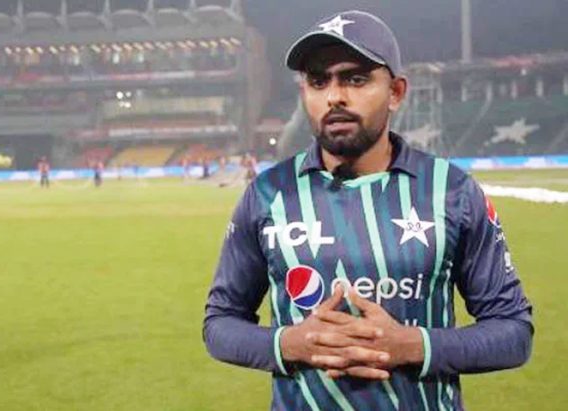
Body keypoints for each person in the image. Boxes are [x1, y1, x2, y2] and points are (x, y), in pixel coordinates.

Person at [203, 10, 533, 411]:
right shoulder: (267, 194)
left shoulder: (452, 191)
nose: (335, 96)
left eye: (356, 79)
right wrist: (290, 343)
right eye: (318, 81)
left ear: (396, 92)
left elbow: (514, 332)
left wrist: (411, 345)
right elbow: (220, 323)